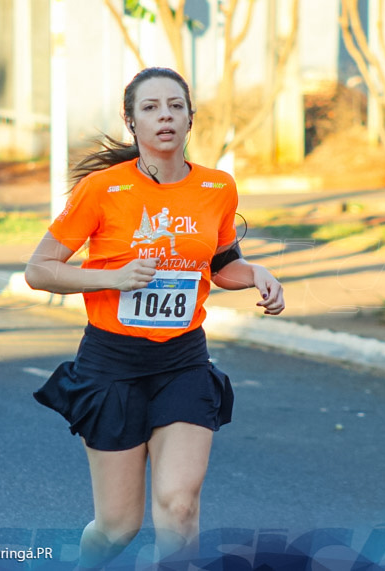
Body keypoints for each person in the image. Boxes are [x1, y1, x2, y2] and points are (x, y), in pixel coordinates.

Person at [25, 67, 285, 568]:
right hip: (112, 365)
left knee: (180, 505)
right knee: (118, 528)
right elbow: (39, 270)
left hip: (183, 362)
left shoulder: (218, 188)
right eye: (150, 107)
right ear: (131, 122)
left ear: (190, 118)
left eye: (175, 106)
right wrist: (112, 277)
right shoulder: (103, 190)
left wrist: (256, 274)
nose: (164, 115)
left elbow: (221, 264)